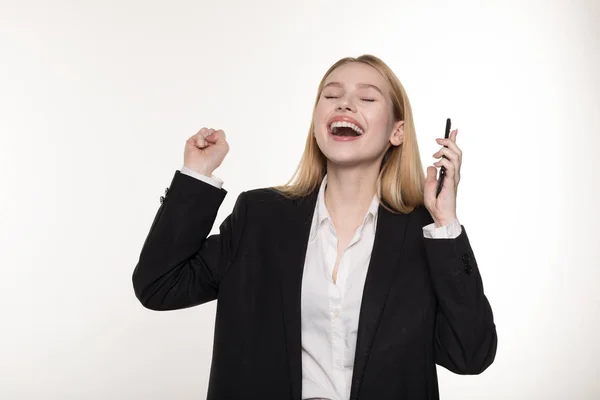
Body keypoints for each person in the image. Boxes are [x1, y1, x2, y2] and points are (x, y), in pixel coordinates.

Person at [132, 54, 497, 400]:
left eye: (366, 98)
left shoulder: (425, 235)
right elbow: (160, 286)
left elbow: (470, 355)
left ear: (397, 132)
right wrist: (196, 176)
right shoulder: (260, 218)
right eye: (332, 95)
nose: (345, 104)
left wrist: (445, 223)